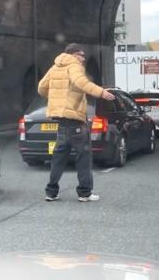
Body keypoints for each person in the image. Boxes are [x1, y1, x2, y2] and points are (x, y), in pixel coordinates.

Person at [37, 43, 115, 202]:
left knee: (58, 157)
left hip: (61, 121)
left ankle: (51, 192)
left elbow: (41, 88)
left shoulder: (55, 67)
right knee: (84, 157)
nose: (83, 59)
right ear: (73, 55)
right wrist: (101, 92)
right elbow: (82, 83)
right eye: (81, 55)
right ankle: (85, 193)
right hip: (75, 121)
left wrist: (56, 100)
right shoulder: (74, 66)